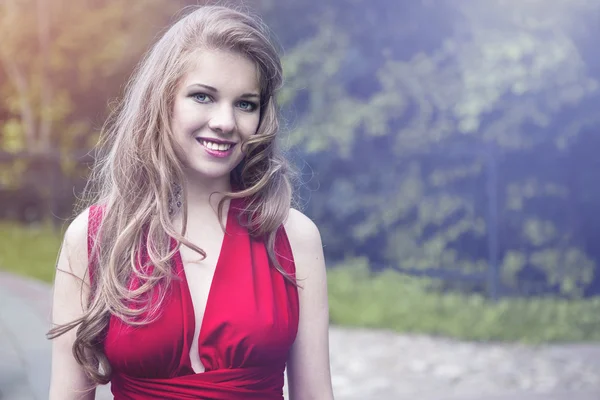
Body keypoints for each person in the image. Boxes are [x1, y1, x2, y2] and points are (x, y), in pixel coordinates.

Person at [47, 5, 334, 399]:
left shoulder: (294, 237)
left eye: (245, 103)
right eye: (203, 96)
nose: (225, 121)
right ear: (162, 100)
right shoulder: (94, 238)